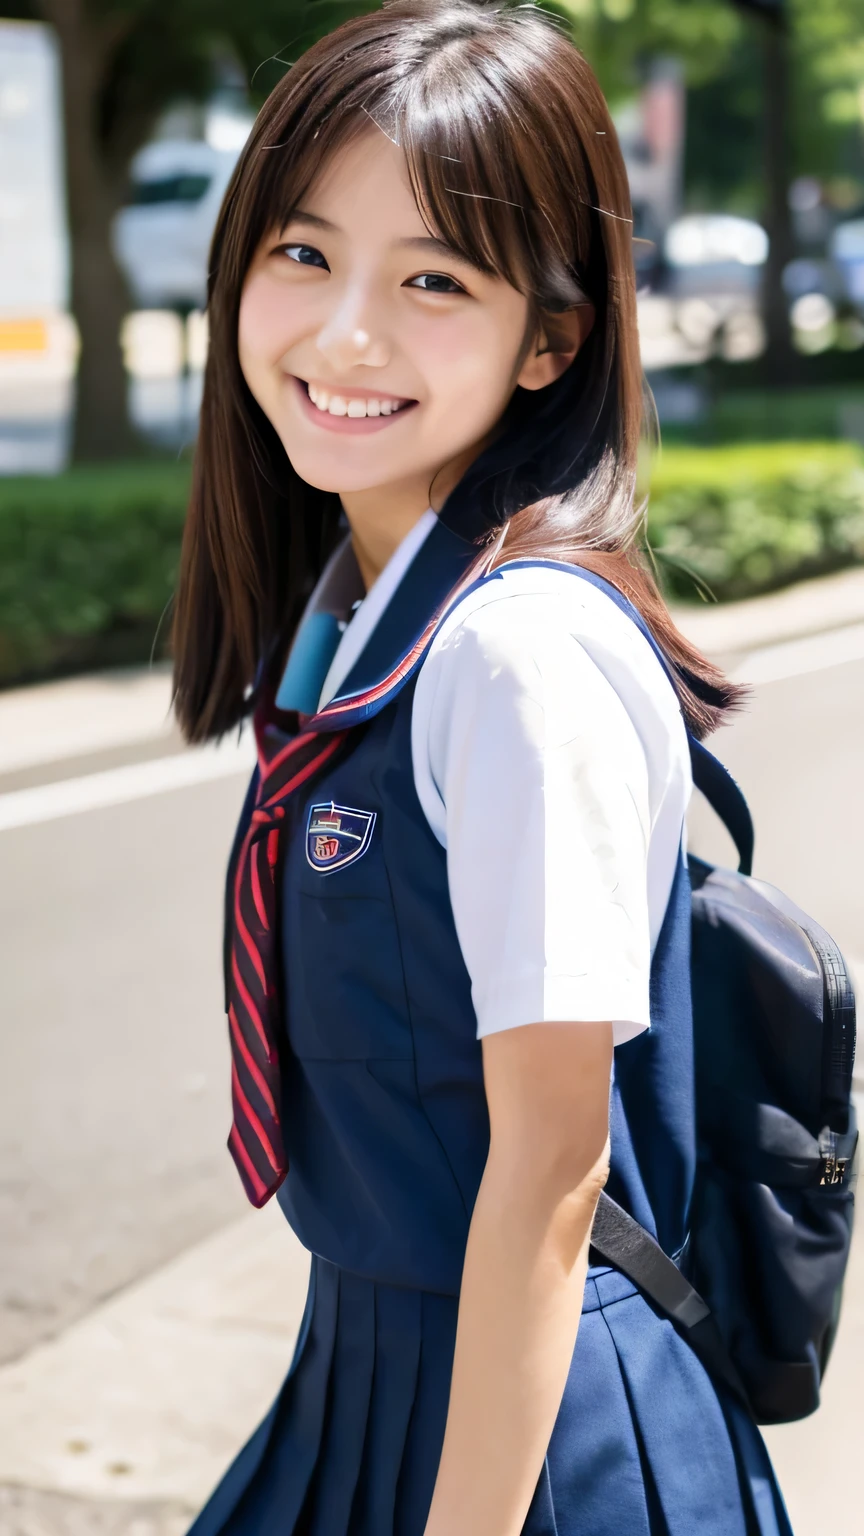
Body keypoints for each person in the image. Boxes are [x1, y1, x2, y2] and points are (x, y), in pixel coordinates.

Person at [172, 3, 793, 1533]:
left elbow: (554, 1169)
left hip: (535, 1431)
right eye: (304, 254)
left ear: (553, 339)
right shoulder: (354, 623)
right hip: (368, 1365)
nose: (345, 334)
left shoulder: (515, 659)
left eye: (434, 278)